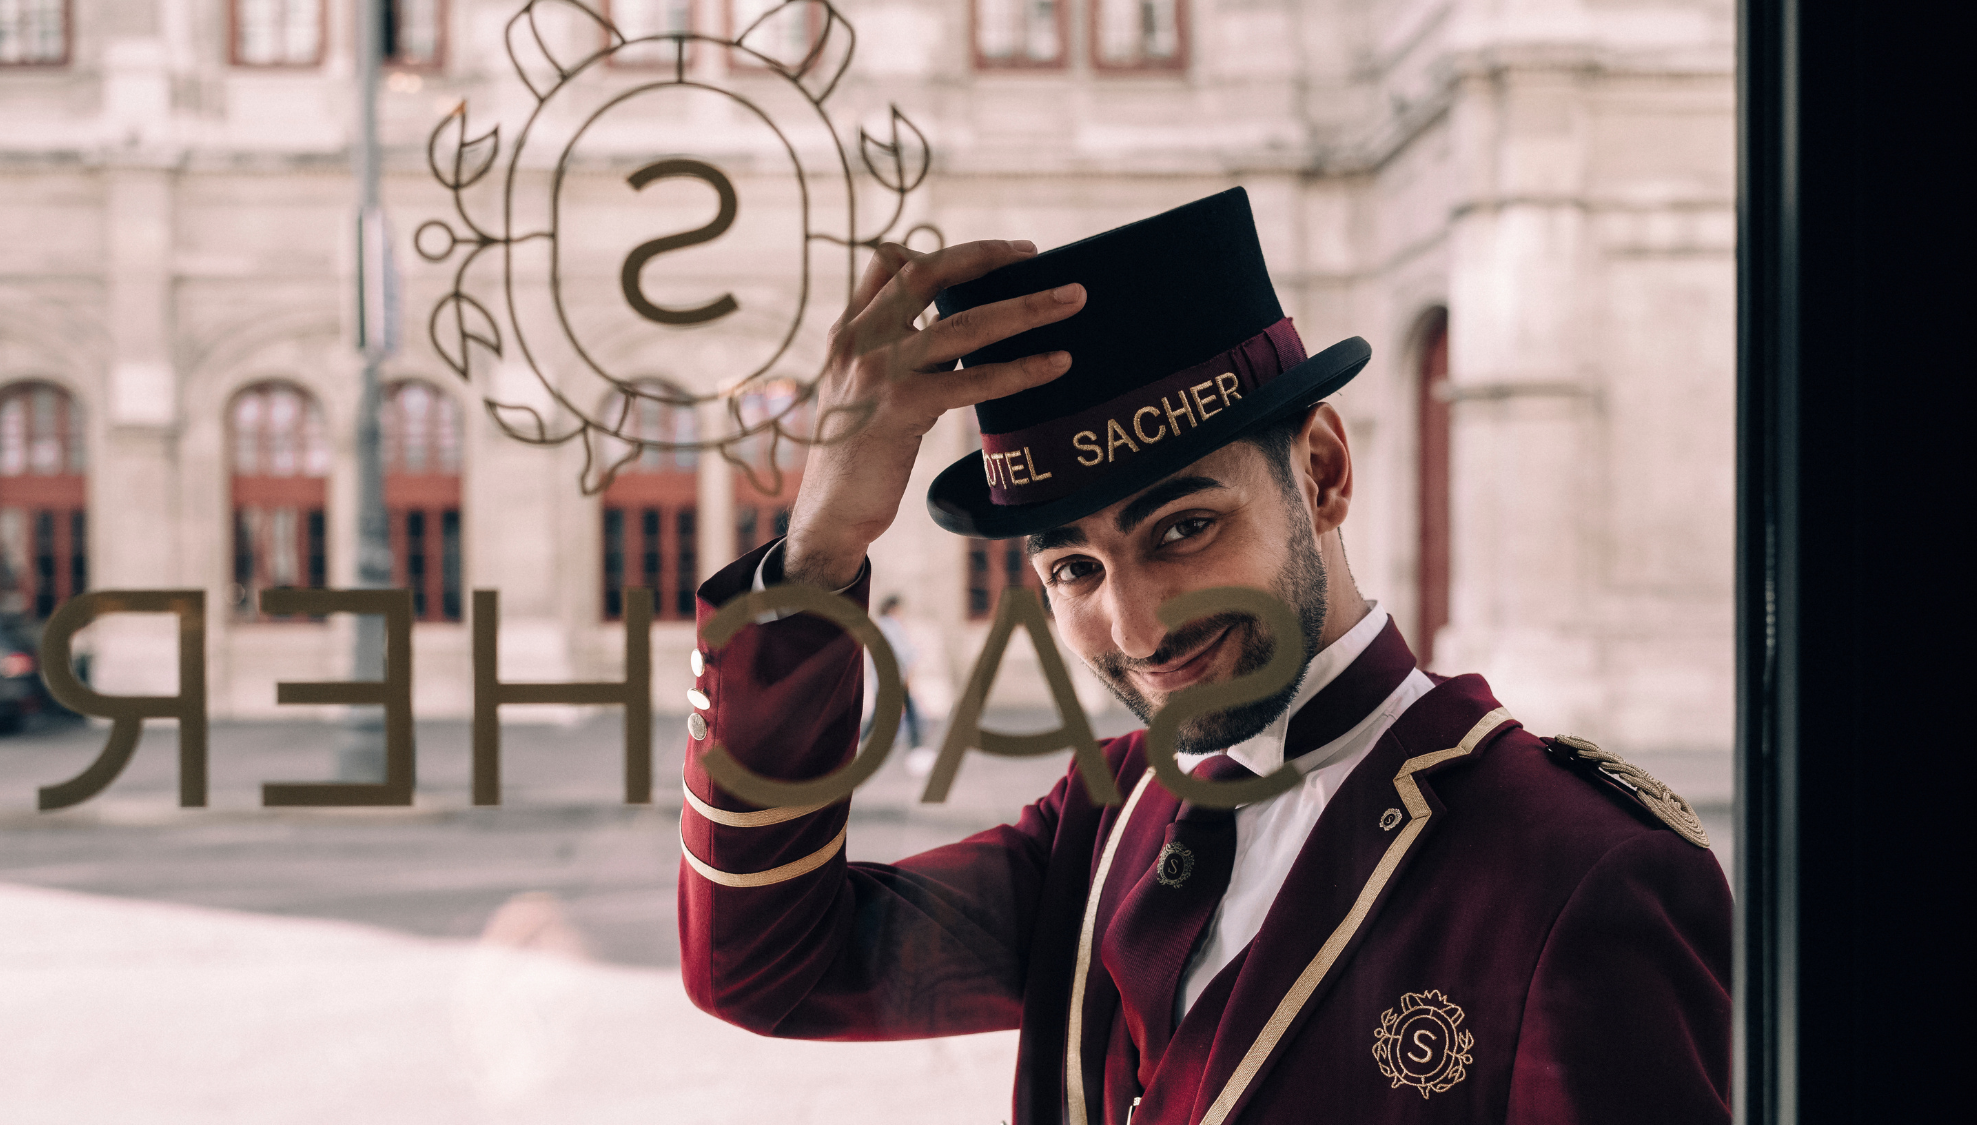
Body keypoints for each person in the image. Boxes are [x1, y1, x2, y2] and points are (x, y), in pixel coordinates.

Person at [676, 190, 1730, 1124]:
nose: (1135, 630)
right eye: (1074, 571)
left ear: (1318, 473)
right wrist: (817, 555)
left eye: (1181, 529)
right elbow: (766, 969)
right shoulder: (1109, 817)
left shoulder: (1583, 870)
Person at [861, 594, 927, 754]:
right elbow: (902, 652)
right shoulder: (892, 626)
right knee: (908, 710)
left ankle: (860, 741)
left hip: (883, 678)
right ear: (893, 609)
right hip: (894, 678)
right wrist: (914, 656)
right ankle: (916, 745)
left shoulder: (878, 626)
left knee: (880, 712)